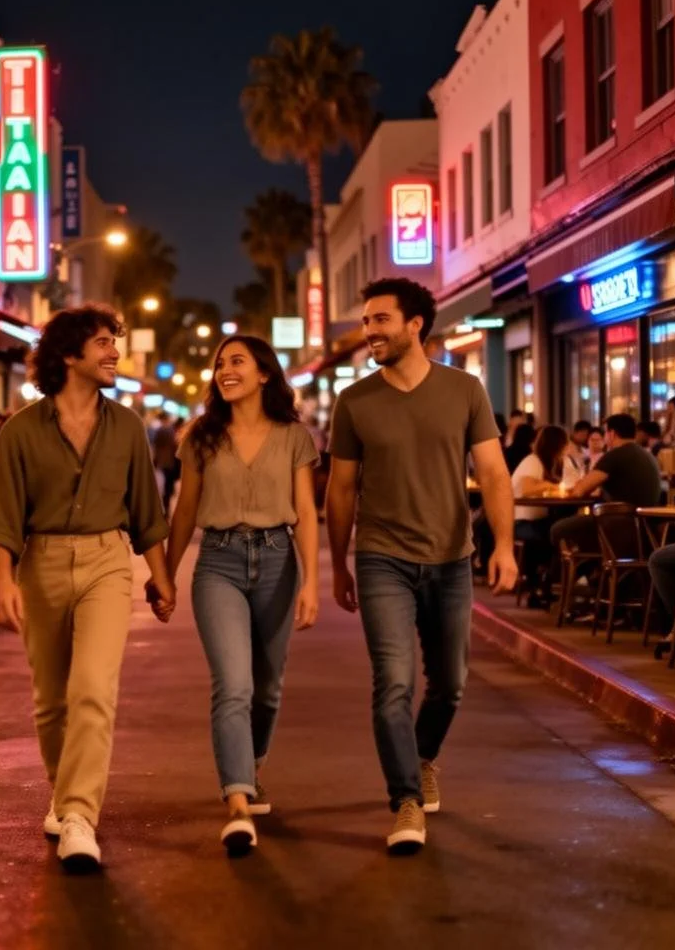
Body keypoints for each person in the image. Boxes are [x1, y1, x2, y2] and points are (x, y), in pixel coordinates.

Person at [0, 304, 174, 872]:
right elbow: (2, 517)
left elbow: (147, 511)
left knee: (93, 687)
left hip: (107, 560)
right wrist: (0, 584)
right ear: (69, 355)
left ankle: (79, 816)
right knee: (52, 698)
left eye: (114, 340)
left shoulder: (129, 427)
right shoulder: (20, 431)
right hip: (39, 561)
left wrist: (161, 577)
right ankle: (64, 796)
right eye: (102, 342)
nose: (115, 351)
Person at [326, 277, 516, 854]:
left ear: (416, 325)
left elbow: (493, 472)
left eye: (380, 320)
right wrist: (339, 563)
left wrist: (503, 545)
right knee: (394, 682)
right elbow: (340, 489)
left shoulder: (464, 390)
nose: (369, 332)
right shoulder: (354, 401)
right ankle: (406, 801)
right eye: (366, 321)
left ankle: (424, 756)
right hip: (383, 555)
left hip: (452, 558)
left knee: (451, 684)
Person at [166, 335, 319, 856]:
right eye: (219, 364)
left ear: (264, 374)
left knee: (268, 687)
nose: (224, 370)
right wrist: (165, 574)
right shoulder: (201, 438)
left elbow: (306, 510)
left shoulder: (294, 437)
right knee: (233, 684)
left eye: (237, 362)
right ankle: (236, 800)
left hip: (278, 559)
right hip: (218, 562)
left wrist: (314, 582)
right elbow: (184, 511)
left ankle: (250, 766)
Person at [550, 414, 662, 576]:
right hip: (646, 532)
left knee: (558, 529)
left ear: (612, 434)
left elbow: (580, 490)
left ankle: (575, 579)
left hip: (618, 529)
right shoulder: (648, 456)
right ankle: (596, 577)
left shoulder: (615, 455)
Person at [512, 425, 576, 606]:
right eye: (566, 443)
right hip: (520, 521)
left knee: (560, 533)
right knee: (549, 536)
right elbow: (527, 488)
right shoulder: (533, 461)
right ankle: (537, 587)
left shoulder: (562, 462)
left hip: (543, 518)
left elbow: (575, 483)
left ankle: (546, 584)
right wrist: (554, 487)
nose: (568, 447)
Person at [151, 410, 179, 513]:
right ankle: (167, 501)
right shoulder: (172, 430)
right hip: (171, 460)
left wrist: (155, 459)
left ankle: (166, 503)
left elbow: (157, 446)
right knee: (168, 482)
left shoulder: (161, 430)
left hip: (164, 460)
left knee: (166, 482)